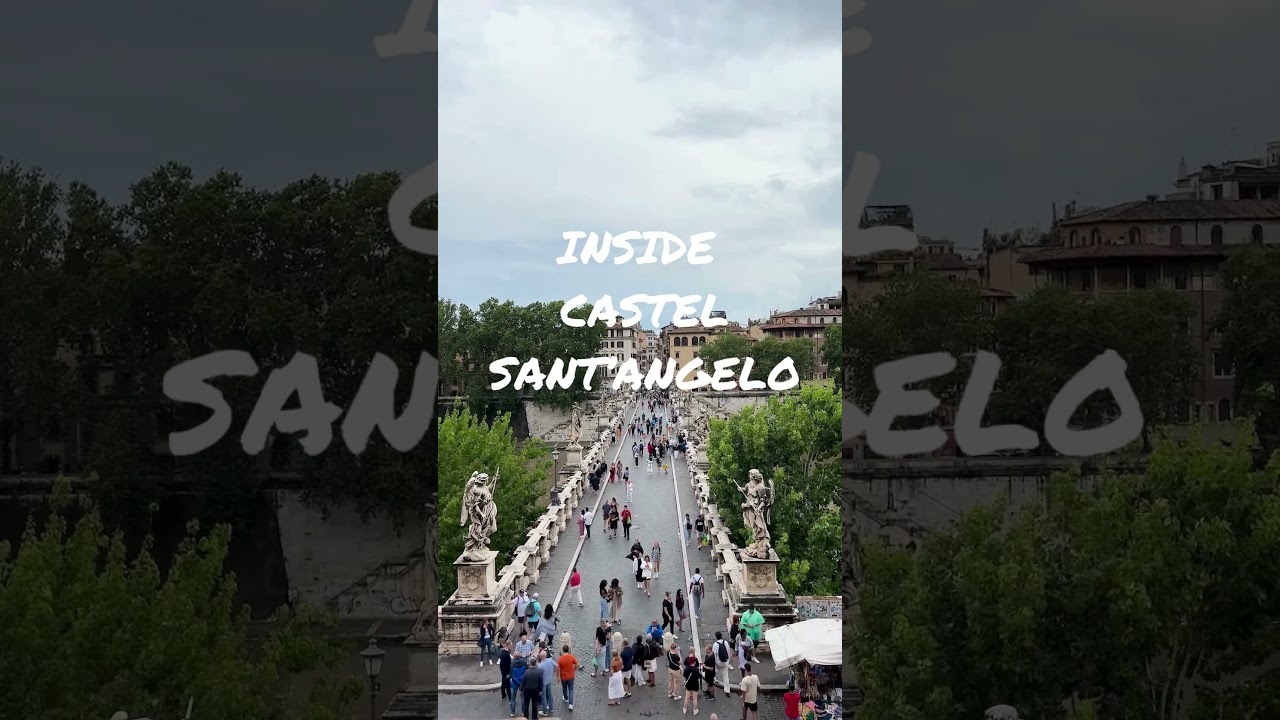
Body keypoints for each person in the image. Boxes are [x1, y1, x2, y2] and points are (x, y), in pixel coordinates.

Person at [521, 654, 543, 719]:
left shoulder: (526, 672)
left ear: (530, 664)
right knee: (534, 705)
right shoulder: (539, 672)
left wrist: (521, 689)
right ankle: (534, 717)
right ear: (536, 663)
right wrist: (540, 690)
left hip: (527, 690)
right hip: (535, 690)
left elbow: (523, 682)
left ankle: (526, 716)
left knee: (526, 704)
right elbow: (540, 682)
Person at [682, 646, 702, 715]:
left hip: (688, 683)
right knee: (695, 698)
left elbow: (684, 675)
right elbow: (699, 677)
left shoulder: (686, 669)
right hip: (695, 684)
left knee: (687, 697)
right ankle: (695, 710)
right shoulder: (696, 670)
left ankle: (685, 708)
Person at [712, 631, 732, 698]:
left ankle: (716, 679)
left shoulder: (715, 644)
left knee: (717, 670)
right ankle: (727, 690)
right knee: (726, 675)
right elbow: (728, 652)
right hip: (725, 661)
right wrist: (728, 661)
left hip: (718, 662)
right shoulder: (725, 642)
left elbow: (714, 655)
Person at [538, 650, 558, 715]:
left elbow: (539, 677)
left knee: (543, 697)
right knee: (550, 695)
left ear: (540, 657)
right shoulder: (550, 660)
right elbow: (557, 666)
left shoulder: (540, 666)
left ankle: (545, 711)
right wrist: (553, 671)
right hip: (549, 680)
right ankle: (551, 708)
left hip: (543, 683)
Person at [509, 653, 526, 717]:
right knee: (523, 698)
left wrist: (516, 681)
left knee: (513, 698)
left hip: (514, 684)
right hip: (522, 683)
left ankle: (512, 712)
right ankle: (523, 712)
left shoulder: (512, 665)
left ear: (514, 657)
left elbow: (511, 676)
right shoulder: (524, 663)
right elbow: (526, 673)